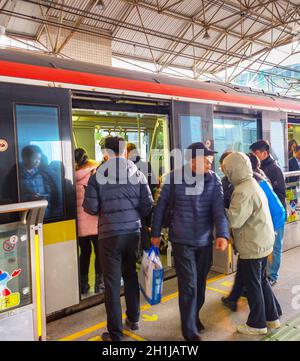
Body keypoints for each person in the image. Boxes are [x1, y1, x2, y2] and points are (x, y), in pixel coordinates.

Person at [151, 142, 229, 341]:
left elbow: (218, 210)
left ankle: (193, 317)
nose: (211, 163)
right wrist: (156, 233)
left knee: (200, 284)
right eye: (207, 160)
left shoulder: (214, 181)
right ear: (193, 161)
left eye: (211, 160)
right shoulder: (174, 178)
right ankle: (189, 332)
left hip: (204, 241)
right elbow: (160, 207)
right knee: (189, 285)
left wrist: (222, 234)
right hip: (181, 240)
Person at [83, 136, 153, 341]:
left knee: (112, 283)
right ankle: (134, 319)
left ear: (106, 152)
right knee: (130, 274)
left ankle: (115, 334)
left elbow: (91, 208)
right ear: (125, 152)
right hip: (133, 233)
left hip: (109, 234)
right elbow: (147, 204)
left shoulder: (97, 176)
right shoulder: (137, 173)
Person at [223, 152, 281, 335]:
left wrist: (219, 211)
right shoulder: (252, 183)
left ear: (233, 170)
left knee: (253, 284)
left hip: (252, 245)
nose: (226, 174)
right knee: (261, 281)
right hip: (262, 242)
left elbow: (235, 220)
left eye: (227, 170)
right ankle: (272, 318)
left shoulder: (242, 190)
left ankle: (257, 324)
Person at [250, 140, 286, 286]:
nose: (254, 156)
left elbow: (280, 194)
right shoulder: (257, 169)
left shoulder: (274, 169)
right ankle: (265, 275)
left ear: (265, 153)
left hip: (275, 215)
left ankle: (272, 276)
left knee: (275, 247)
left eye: (256, 153)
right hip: (264, 215)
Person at [75, 148, 104, 295]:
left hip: (80, 224)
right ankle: (100, 284)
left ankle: (83, 285)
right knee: (99, 253)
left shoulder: (71, 177)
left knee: (84, 253)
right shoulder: (95, 173)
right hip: (94, 221)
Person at [127, 143, 157, 253]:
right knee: (144, 229)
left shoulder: (126, 168)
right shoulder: (146, 165)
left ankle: (136, 253)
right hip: (144, 204)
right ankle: (146, 254)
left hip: (130, 207)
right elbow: (154, 184)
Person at [19, 145, 57, 218]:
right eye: (35, 158)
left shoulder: (43, 175)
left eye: (39, 159)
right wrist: (29, 197)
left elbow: (51, 195)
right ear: (25, 158)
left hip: (45, 215)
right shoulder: (16, 175)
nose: (37, 161)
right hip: (26, 216)